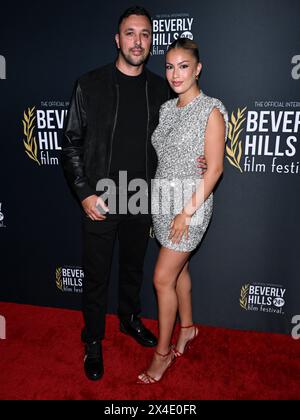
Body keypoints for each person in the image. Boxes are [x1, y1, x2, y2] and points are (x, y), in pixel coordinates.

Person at [62, 7, 207, 381]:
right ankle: (93, 341)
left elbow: (183, 138)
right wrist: (84, 193)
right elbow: (70, 143)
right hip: (102, 195)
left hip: (145, 195)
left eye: (144, 34)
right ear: (118, 39)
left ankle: (129, 320)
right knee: (96, 276)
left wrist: (201, 161)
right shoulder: (89, 85)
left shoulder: (163, 87)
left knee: (132, 268)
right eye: (130, 33)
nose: (137, 41)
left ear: (151, 41)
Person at [137, 38, 228, 384]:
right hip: (163, 202)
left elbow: (215, 169)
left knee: (162, 278)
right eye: (170, 66)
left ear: (198, 68)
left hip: (190, 207)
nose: (176, 74)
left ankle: (162, 354)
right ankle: (187, 328)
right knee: (179, 272)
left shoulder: (212, 110)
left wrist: (186, 213)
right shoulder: (166, 109)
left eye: (184, 66)